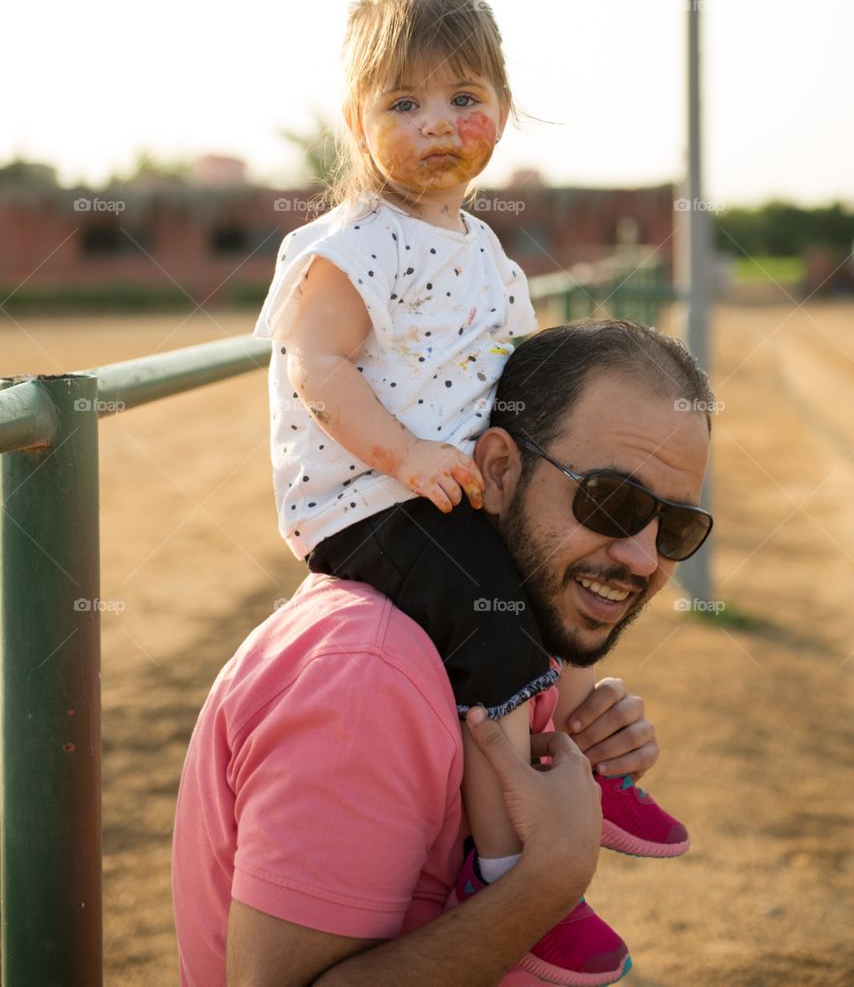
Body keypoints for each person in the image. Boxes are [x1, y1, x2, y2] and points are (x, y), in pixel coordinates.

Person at [239, 0, 710, 982]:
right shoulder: (350, 243)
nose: (438, 123)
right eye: (402, 104)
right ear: (357, 124)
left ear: (499, 102)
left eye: (463, 96)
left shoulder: (484, 248)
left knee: (545, 602)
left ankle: (568, 767)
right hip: (372, 502)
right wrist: (404, 453)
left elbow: (509, 379)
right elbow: (314, 366)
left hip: (448, 492)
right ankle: (517, 879)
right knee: (498, 633)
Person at [171, 317, 715, 986]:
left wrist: (579, 750)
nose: (640, 556)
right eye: (609, 501)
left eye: (678, 527)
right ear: (498, 470)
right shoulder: (367, 680)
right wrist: (545, 882)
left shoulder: (513, 646)